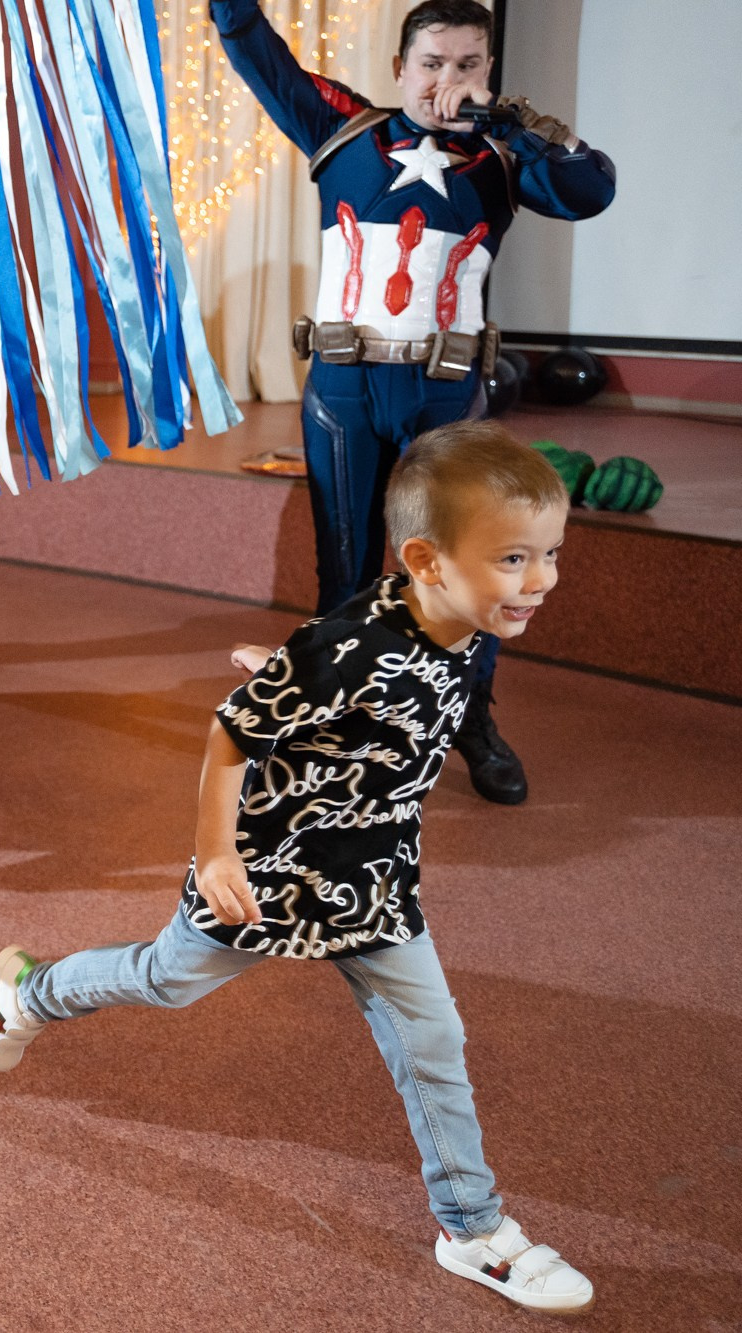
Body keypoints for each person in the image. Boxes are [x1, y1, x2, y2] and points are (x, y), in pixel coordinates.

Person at [0, 421, 592, 1314]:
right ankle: (28, 991)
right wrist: (217, 848)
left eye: (550, 554)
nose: (540, 580)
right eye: (514, 558)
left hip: (375, 884)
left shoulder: (456, 620)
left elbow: (361, 689)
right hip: (269, 872)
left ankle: (473, 1230)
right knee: (168, 979)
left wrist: (298, 685)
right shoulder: (350, 645)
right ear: (426, 558)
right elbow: (230, 732)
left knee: (434, 1040)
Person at [211, 0, 615, 805]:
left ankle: (470, 720)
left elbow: (589, 190)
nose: (447, 82)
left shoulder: (504, 154)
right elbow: (251, 43)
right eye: (432, 63)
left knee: (464, 572)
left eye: (468, 64)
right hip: (344, 391)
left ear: (489, 73)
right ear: (400, 68)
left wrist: (516, 120)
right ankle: (333, 722)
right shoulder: (343, 127)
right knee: (346, 572)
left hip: (448, 394)